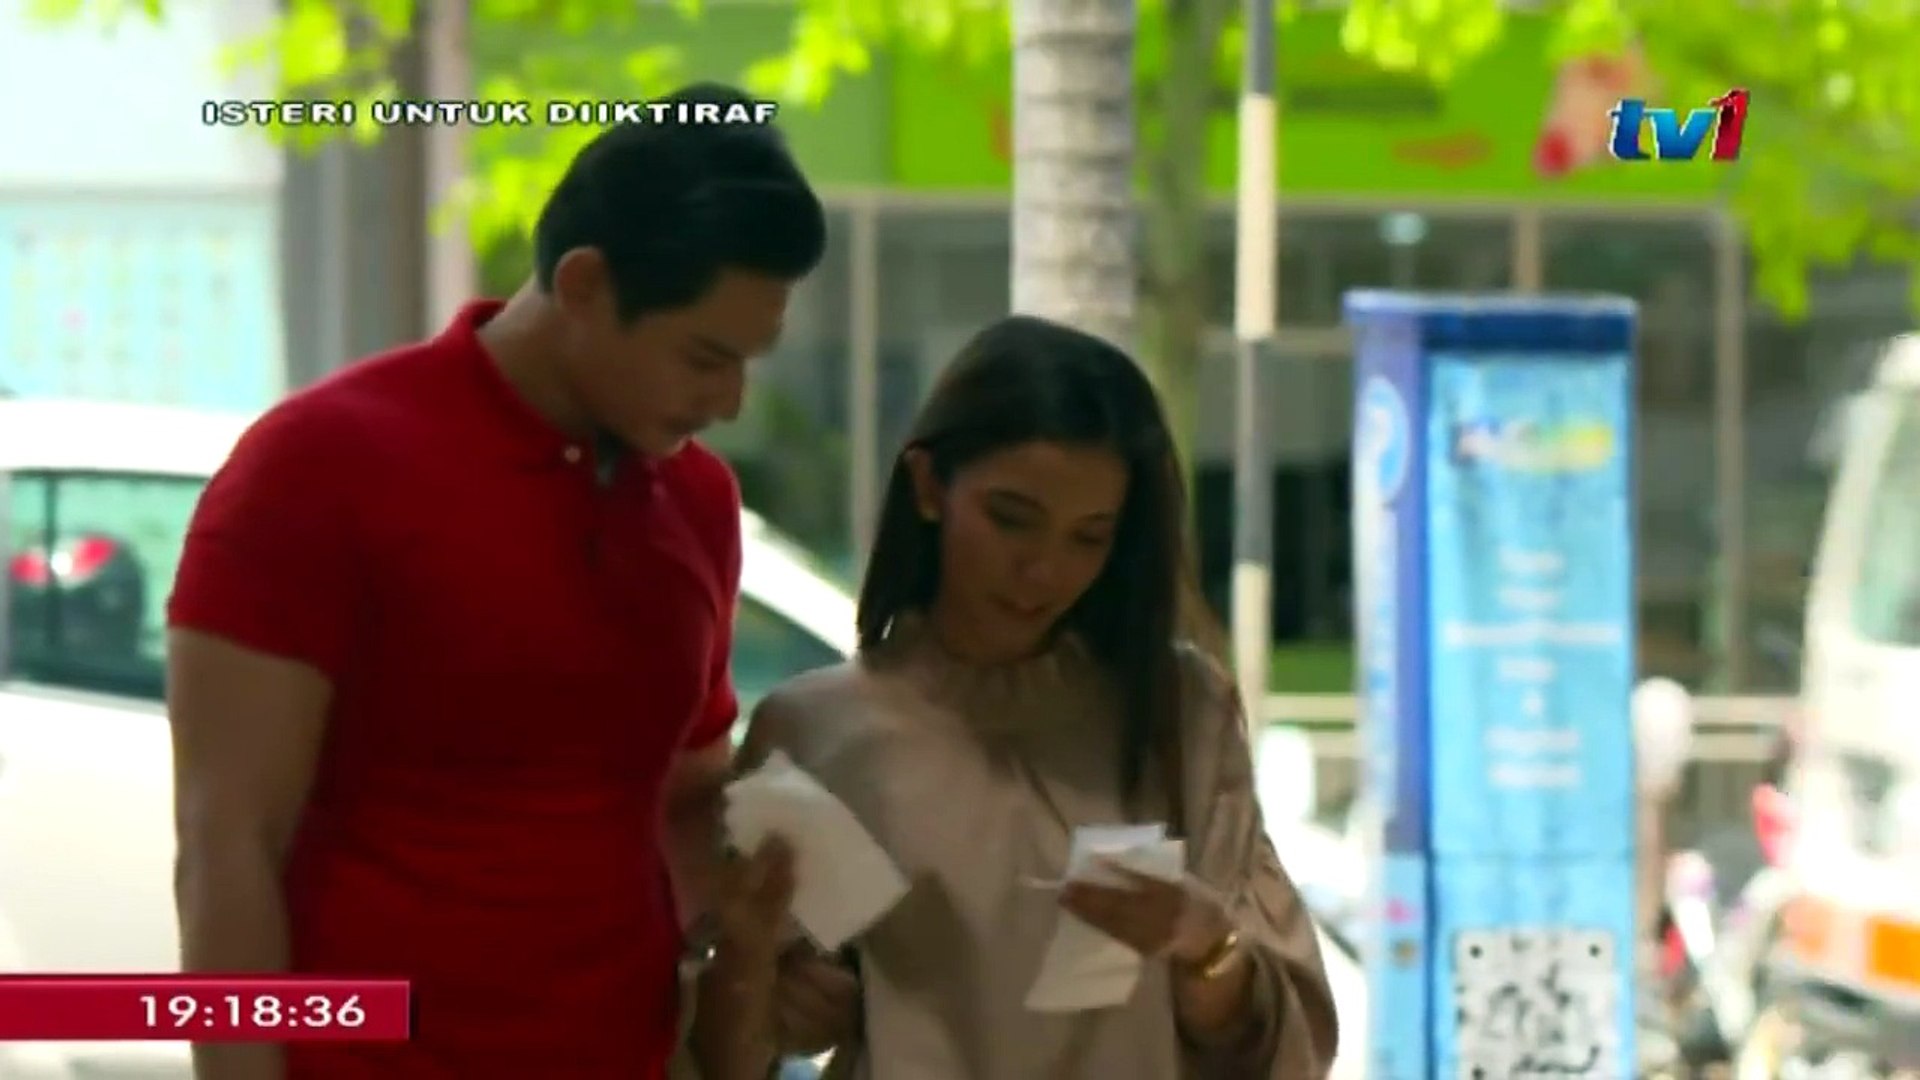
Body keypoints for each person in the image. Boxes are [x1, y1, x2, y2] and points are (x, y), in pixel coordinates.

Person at [165, 82, 823, 1080]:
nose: (728, 401)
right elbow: (229, 848)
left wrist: (762, 949)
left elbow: (687, 800)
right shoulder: (319, 467)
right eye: (704, 357)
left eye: (747, 364)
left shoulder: (696, 502)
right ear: (586, 283)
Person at [726, 315, 1341, 1077]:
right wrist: (779, 993)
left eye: (1089, 536)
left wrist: (1206, 951)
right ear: (929, 485)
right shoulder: (817, 733)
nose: (1043, 570)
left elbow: (1287, 1049)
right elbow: (727, 1034)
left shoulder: (1179, 712)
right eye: (1012, 519)